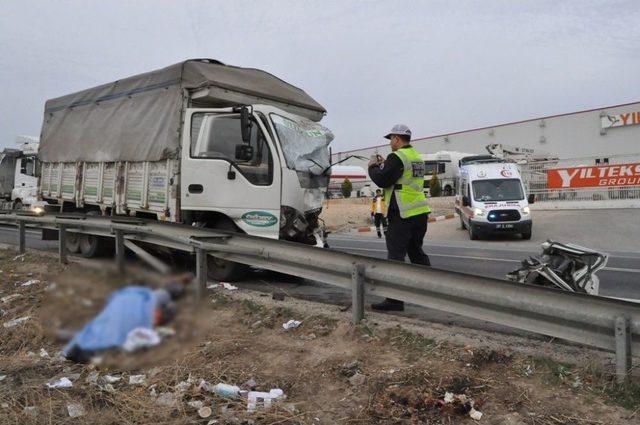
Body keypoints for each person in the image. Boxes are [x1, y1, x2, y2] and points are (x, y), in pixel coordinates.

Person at [367, 124, 431, 311]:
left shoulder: (397, 156)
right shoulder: (416, 156)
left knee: (396, 256)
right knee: (417, 253)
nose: (390, 144)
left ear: (397, 139)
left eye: (391, 140)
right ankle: (433, 292)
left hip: (402, 213)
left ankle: (395, 301)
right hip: (419, 212)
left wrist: (372, 167)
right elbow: (399, 176)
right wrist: (386, 164)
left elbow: (382, 180)